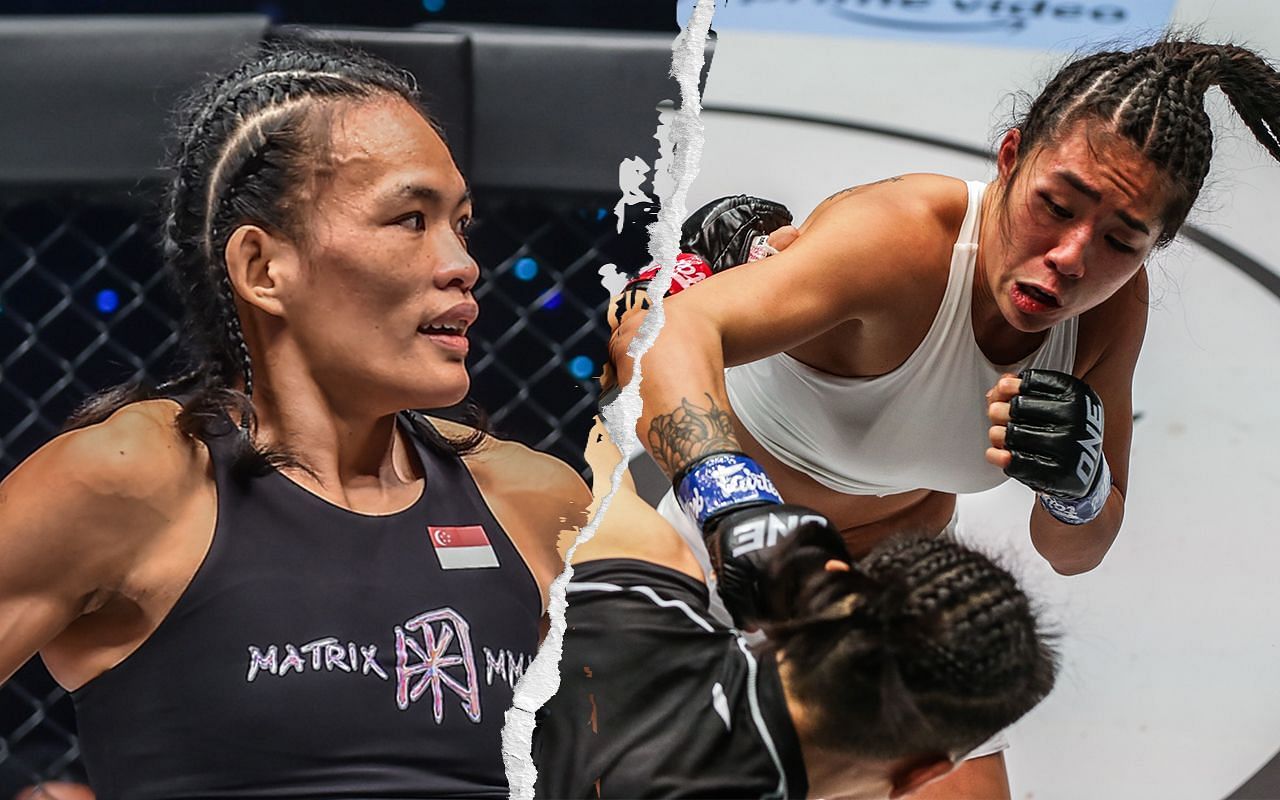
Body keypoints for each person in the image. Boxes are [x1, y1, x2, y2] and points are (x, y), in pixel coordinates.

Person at [608, 38, 1280, 798]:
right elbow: (657, 332)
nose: (1071, 256)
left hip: (891, 612)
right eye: (1055, 207)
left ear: (1156, 247)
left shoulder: (1111, 313)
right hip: (719, 565)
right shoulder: (900, 238)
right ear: (1010, 156)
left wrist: (1078, 487)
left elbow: (1076, 549)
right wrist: (735, 506)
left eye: (1123, 240)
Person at [0, 39, 591, 799]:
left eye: (462, 225)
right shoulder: (132, 480)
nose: (461, 263)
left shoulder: (535, 501)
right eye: (411, 219)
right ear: (263, 268)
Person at [532, 419, 1056, 799]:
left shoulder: (642, 595)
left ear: (829, 582)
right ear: (918, 776)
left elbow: (564, 453)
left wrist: (729, 500)